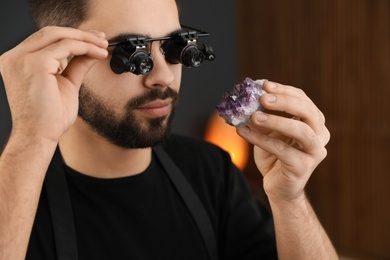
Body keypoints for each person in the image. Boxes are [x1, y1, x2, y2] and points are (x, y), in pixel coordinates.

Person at [0, 0, 338, 259]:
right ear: (61, 57)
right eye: (130, 53)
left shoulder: (210, 172)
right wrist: (32, 137)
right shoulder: (16, 192)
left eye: (175, 47)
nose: (162, 76)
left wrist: (288, 199)